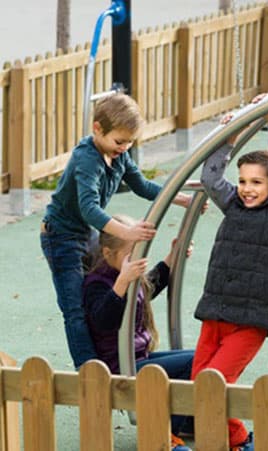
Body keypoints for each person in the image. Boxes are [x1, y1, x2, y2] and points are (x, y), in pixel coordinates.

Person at [40, 93, 193, 369]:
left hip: (86, 231)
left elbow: (142, 186)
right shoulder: (87, 159)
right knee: (74, 307)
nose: (124, 147)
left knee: (113, 278)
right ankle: (89, 368)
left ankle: (113, 350)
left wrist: (179, 198)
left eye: (130, 142)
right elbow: (89, 209)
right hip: (61, 236)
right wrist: (127, 231)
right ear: (97, 129)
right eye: (119, 141)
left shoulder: (118, 156)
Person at [191, 99, 268, 451]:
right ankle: (233, 440)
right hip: (216, 312)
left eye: (256, 182)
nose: (247, 188)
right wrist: (230, 135)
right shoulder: (233, 204)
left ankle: (239, 441)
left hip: (251, 319)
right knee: (199, 385)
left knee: (217, 383)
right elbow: (210, 176)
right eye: (242, 180)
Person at [83, 214, 194, 451]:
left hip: (138, 358)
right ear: (107, 253)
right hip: (121, 367)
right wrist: (122, 282)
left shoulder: (130, 276)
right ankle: (164, 434)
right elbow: (104, 320)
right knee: (193, 362)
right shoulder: (98, 283)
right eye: (132, 253)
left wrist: (171, 258)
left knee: (201, 355)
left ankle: (187, 421)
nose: (139, 259)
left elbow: (149, 287)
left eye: (142, 251)